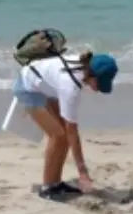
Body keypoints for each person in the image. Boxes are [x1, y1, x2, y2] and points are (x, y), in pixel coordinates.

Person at [14, 48, 119, 200]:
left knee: (63, 136)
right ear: (91, 74)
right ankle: (48, 187)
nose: (97, 89)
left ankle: (55, 183)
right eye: (99, 84)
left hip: (47, 88)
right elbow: (72, 131)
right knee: (57, 136)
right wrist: (82, 172)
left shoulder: (81, 65)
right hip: (28, 89)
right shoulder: (69, 86)